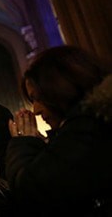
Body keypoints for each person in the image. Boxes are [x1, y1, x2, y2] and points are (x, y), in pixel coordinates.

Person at [6, 45, 112, 216]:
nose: (36, 111)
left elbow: (32, 191)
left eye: (38, 98)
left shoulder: (88, 129)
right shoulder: (87, 124)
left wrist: (23, 142)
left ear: (60, 88)